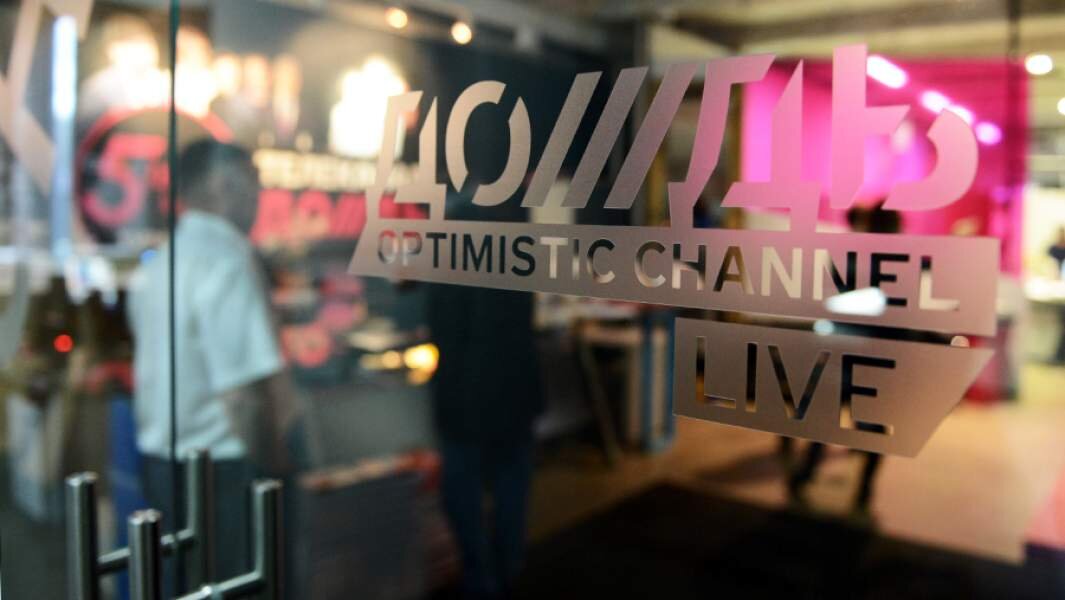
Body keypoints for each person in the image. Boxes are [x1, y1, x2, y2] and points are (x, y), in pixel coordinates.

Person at [127, 140, 297, 590]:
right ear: (225, 184)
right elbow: (244, 396)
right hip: (222, 470)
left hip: (163, 465)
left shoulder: (164, 259)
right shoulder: (227, 259)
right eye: (254, 182)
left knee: (185, 584)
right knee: (234, 585)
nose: (259, 196)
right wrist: (276, 467)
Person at [426, 198, 543, 599]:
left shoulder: (450, 243)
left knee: (462, 489)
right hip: (516, 387)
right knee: (511, 484)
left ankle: (481, 577)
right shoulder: (518, 236)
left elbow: (441, 325)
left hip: (466, 393)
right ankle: (507, 568)